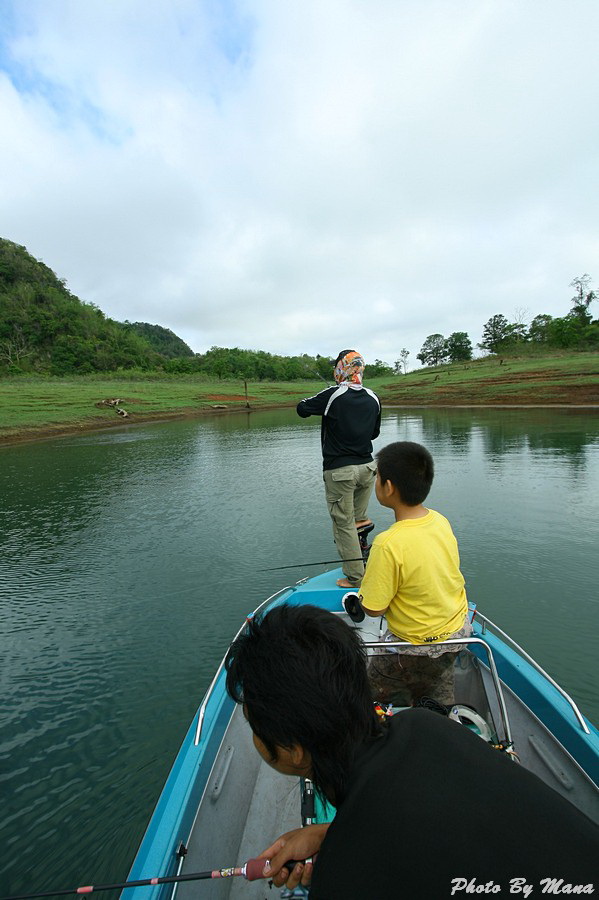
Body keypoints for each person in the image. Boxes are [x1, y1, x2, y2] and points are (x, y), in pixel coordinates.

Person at [224, 604, 598, 898]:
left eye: (255, 724)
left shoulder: (345, 879)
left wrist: (340, 849)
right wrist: (331, 834)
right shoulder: (426, 725)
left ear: (293, 752)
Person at [357, 440, 471, 708]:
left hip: (412, 647)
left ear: (388, 487)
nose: (376, 483)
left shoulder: (387, 543)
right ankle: (438, 709)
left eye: (377, 477)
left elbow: (373, 610)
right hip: (457, 635)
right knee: (435, 679)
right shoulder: (440, 520)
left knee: (368, 693)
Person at [297, 349, 381, 589]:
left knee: (343, 524)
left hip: (340, 472)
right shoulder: (373, 397)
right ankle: (365, 555)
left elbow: (301, 409)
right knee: (357, 520)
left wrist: (325, 399)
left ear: (340, 368)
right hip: (367, 467)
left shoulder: (333, 394)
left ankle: (356, 578)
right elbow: (374, 433)